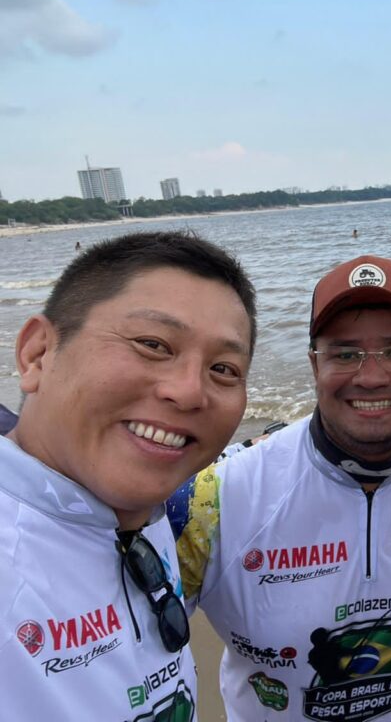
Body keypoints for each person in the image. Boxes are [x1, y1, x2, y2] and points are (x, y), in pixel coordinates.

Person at [168, 255, 391, 721]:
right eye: (345, 353)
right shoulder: (214, 498)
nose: (372, 376)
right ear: (314, 364)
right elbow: (116, 650)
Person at [0, 231, 257, 719]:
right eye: (153, 344)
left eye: (224, 369)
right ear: (37, 354)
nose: (188, 392)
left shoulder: (137, 507)